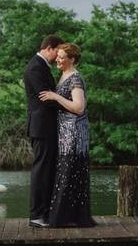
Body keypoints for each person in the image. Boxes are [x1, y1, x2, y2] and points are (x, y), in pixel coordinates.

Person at [38, 43, 95, 227]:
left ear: (72, 59)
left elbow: (79, 108)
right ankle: (69, 217)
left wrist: (55, 97)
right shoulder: (63, 76)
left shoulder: (76, 79)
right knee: (65, 172)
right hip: (64, 132)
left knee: (70, 172)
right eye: (58, 56)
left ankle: (67, 218)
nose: (58, 59)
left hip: (75, 132)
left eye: (62, 57)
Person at [24, 35, 64, 228]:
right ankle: (36, 216)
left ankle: (45, 213)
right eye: (58, 51)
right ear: (49, 48)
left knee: (47, 170)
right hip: (41, 127)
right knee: (41, 171)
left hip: (47, 126)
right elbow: (45, 98)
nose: (58, 57)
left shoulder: (41, 66)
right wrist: (69, 106)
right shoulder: (35, 67)